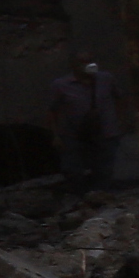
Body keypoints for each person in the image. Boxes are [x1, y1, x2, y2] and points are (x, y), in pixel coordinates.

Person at [48, 60, 130, 193]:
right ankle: (80, 195)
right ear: (74, 67)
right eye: (83, 62)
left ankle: (102, 195)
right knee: (72, 168)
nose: (89, 65)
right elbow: (53, 110)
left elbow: (120, 98)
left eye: (90, 61)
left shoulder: (106, 79)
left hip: (105, 131)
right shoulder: (61, 85)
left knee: (104, 168)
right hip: (74, 133)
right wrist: (56, 135)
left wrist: (120, 122)